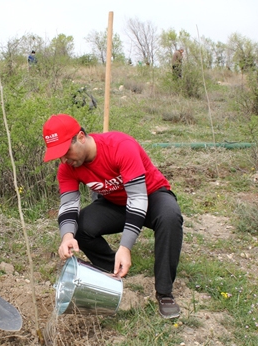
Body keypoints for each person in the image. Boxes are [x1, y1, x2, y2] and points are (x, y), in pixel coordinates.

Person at [42, 114, 183, 319]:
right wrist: (67, 237)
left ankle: (164, 293)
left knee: (170, 217)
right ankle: (114, 270)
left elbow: (137, 198)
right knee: (80, 227)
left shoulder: (120, 146)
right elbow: (69, 205)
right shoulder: (67, 168)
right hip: (116, 203)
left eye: (66, 151)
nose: (63, 160)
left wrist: (125, 247)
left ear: (81, 137)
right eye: (58, 155)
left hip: (151, 196)